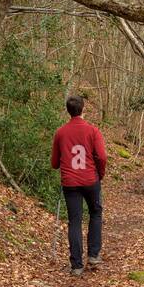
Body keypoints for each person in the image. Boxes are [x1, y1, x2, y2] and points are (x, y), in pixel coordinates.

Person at [50, 95, 106, 276]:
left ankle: (76, 265)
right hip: (90, 180)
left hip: (70, 183)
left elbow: (54, 163)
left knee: (75, 221)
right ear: (83, 109)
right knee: (95, 213)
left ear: (68, 110)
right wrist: (100, 174)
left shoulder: (60, 132)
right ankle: (94, 255)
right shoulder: (93, 131)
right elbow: (102, 156)